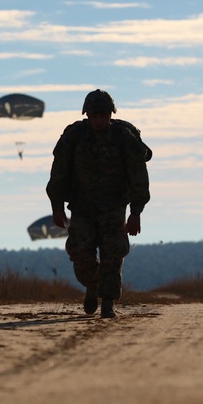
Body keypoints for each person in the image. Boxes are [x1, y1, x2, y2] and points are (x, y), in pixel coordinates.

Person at [46, 89, 151, 318]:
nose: (99, 121)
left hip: (114, 207)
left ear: (110, 115)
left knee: (113, 255)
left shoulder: (124, 137)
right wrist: (56, 206)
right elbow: (59, 173)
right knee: (81, 254)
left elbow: (138, 175)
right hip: (82, 207)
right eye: (94, 116)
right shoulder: (74, 136)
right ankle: (93, 285)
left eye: (103, 116)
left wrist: (136, 212)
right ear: (88, 115)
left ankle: (108, 302)